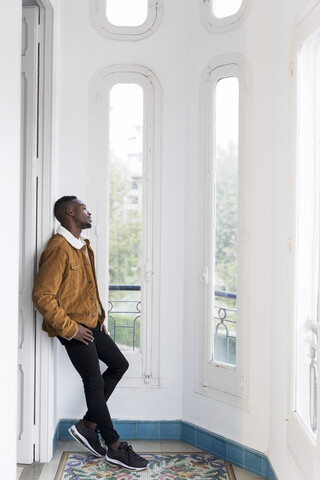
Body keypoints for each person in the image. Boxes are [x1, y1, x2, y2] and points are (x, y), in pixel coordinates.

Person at [32, 195, 148, 471]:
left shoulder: (82, 246)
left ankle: (87, 425)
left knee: (120, 364)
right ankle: (115, 447)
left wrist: (98, 317)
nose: (88, 212)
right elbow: (42, 295)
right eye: (84, 208)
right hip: (74, 329)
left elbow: (84, 289)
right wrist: (71, 330)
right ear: (70, 212)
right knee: (93, 384)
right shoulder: (59, 248)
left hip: (92, 325)